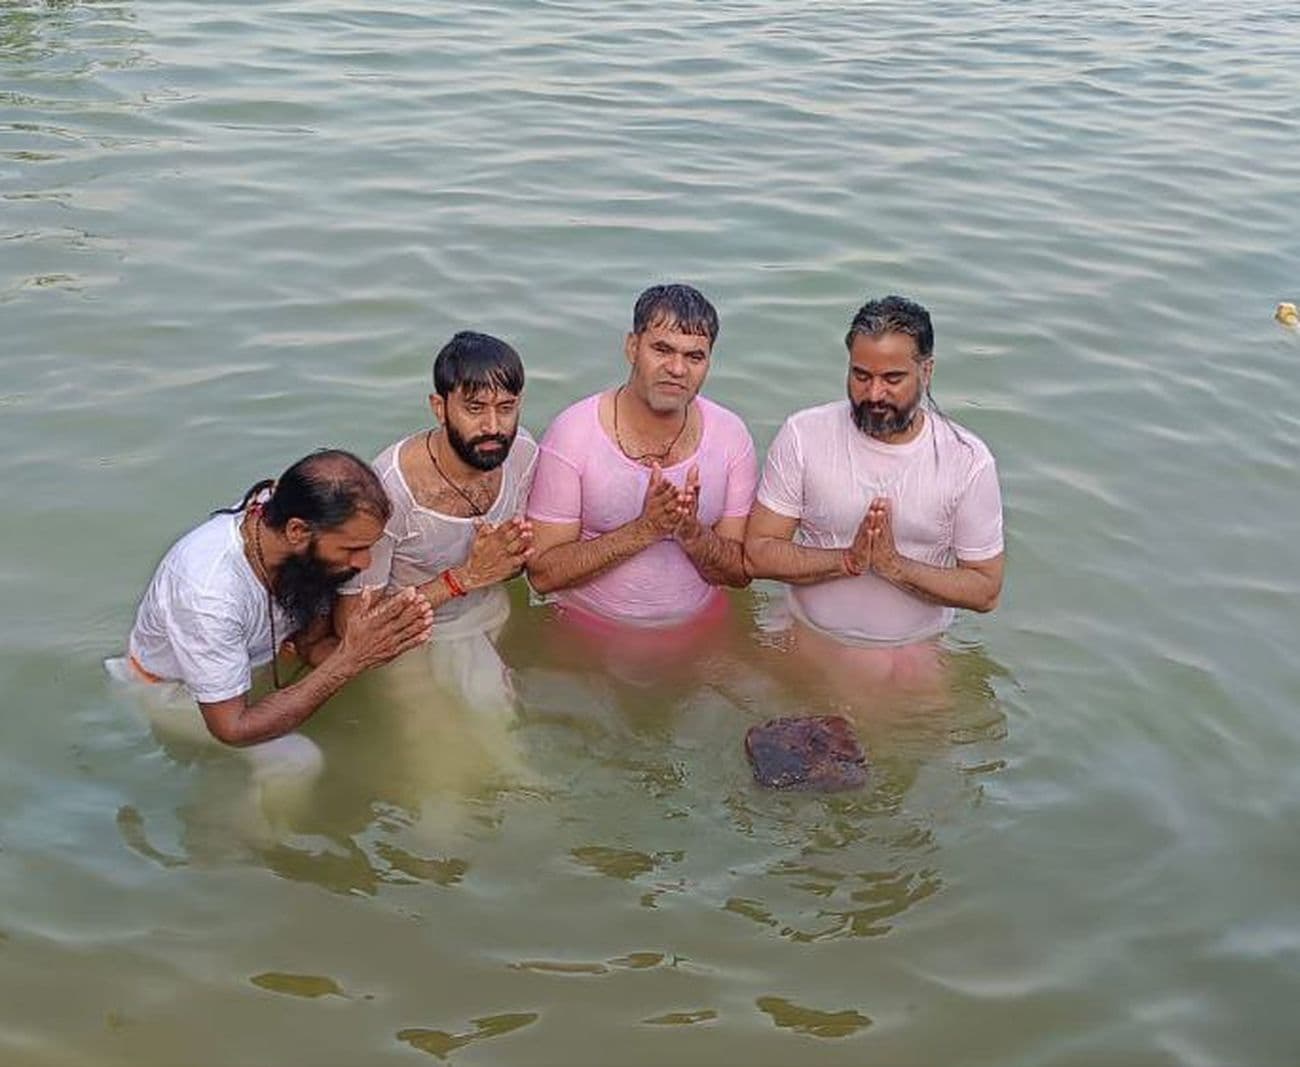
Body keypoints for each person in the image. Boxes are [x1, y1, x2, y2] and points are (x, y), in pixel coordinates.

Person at [109, 450, 434, 785]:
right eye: (352, 549)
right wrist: (351, 660)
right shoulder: (207, 592)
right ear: (296, 531)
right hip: (172, 693)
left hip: (259, 664)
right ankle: (241, 832)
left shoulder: (283, 517)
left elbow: (312, 645)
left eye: (369, 547)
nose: (365, 563)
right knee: (297, 760)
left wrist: (374, 646)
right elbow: (231, 729)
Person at [744, 295, 1004, 695]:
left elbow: (986, 589)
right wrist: (847, 561)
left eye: (893, 379)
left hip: (913, 656)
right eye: (861, 376)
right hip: (806, 641)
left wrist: (894, 566)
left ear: (926, 371)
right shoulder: (804, 435)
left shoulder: (966, 461)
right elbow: (757, 552)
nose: (874, 394)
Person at [526, 283, 757, 673]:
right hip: (590, 635)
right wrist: (644, 530)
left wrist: (690, 532)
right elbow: (543, 575)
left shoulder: (731, 437)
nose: (678, 368)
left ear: (709, 362)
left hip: (700, 634)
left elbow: (738, 573)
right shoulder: (574, 434)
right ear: (633, 347)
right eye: (662, 349)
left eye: (695, 356)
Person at [334, 331, 536, 717]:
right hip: (406, 642)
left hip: (489, 616)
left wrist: (509, 560)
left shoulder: (522, 454)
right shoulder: (391, 491)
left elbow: (514, 564)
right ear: (439, 408)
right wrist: (465, 577)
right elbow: (351, 628)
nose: (494, 426)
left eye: (507, 408)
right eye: (475, 409)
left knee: (508, 730)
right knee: (439, 763)